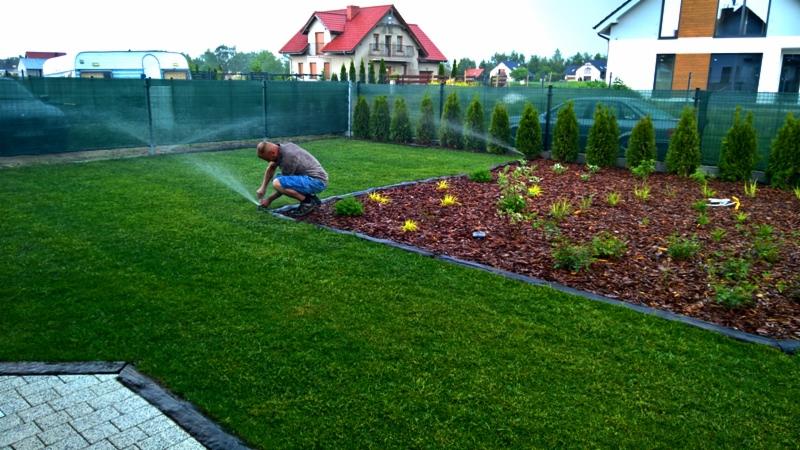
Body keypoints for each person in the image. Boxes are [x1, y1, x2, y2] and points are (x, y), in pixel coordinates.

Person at [256, 141, 328, 216]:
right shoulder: (281, 149)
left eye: (268, 159)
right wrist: (263, 188)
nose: (268, 161)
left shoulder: (288, 157)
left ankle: (307, 202)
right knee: (278, 178)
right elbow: (271, 167)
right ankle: (312, 199)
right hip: (312, 179)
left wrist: (269, 200)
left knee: (277, 182)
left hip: (316, 182)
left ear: (272, 153)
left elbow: (282, 186)